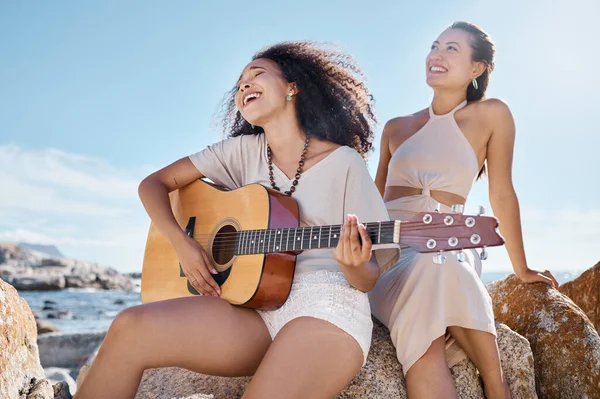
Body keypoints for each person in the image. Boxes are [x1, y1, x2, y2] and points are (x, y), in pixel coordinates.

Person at [74, 41, 399, 399]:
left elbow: (368, 275)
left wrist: (352, 265)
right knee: (129, 327)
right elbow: (154, 184)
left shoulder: (345, 163)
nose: (244, 85)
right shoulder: (240, 153)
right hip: (251, 306)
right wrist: (182, 244)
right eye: (241, 82)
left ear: (294, 86)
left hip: (326, 305)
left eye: (257, 74)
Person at [368, 22, 558, 399]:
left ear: (477, 68)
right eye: (434, 46)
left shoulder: (492, 115)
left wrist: (521, 268)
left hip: (450, 239)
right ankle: (495, 384)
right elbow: (372, 203)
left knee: (439, 263)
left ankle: (494, 381)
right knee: (428, 268)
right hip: (389, 249)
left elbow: (501, 192)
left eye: (451, 48)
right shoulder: (396, 127)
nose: (436, 55)